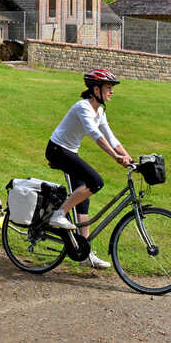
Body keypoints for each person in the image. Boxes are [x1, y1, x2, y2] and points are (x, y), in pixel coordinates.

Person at [45, 69, 132, 269]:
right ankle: (58, 214)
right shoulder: (82, 107)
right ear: (96, 89)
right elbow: (95, 135)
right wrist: (116, 157)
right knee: (96, 182)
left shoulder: (99, 111)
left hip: (70, 152)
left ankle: (84, 252)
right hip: (58, 150)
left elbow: (110, 137)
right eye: (108, 88)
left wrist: (128, 157)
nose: (111, 92)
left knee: (83, 199)